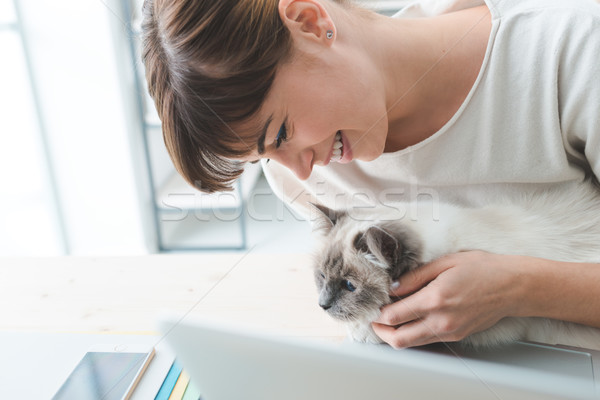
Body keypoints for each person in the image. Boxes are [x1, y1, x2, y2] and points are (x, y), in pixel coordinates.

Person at [141, 0, 600, 348]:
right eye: (263, 158)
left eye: (280, 132)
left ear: (310, 22)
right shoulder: (303, 174)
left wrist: (519, 288)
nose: (299, 170)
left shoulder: (573, 54)